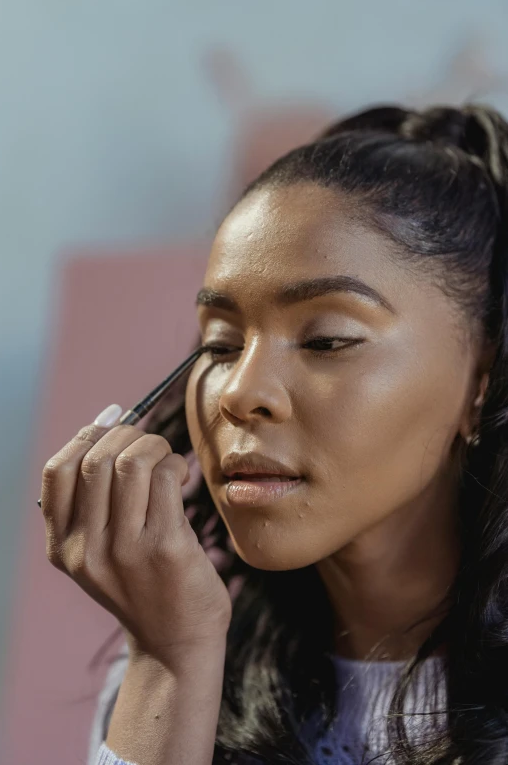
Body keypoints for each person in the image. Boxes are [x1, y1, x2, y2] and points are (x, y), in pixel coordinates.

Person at [40, 102, 508, 765]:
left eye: (326, 339)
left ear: (483, 375)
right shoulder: (169, 667)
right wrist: (170, 661)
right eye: (222, 343)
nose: (239, 391)